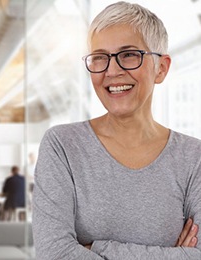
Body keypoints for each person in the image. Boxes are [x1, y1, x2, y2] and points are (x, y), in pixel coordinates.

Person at [32, 2, 201, 259]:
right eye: (100, 57)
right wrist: (173, 255)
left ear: (161, 68)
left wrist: (99, 248)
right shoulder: (62, 146)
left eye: (129, 55)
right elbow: (54, 253)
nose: (112, 71)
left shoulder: (193, 156)